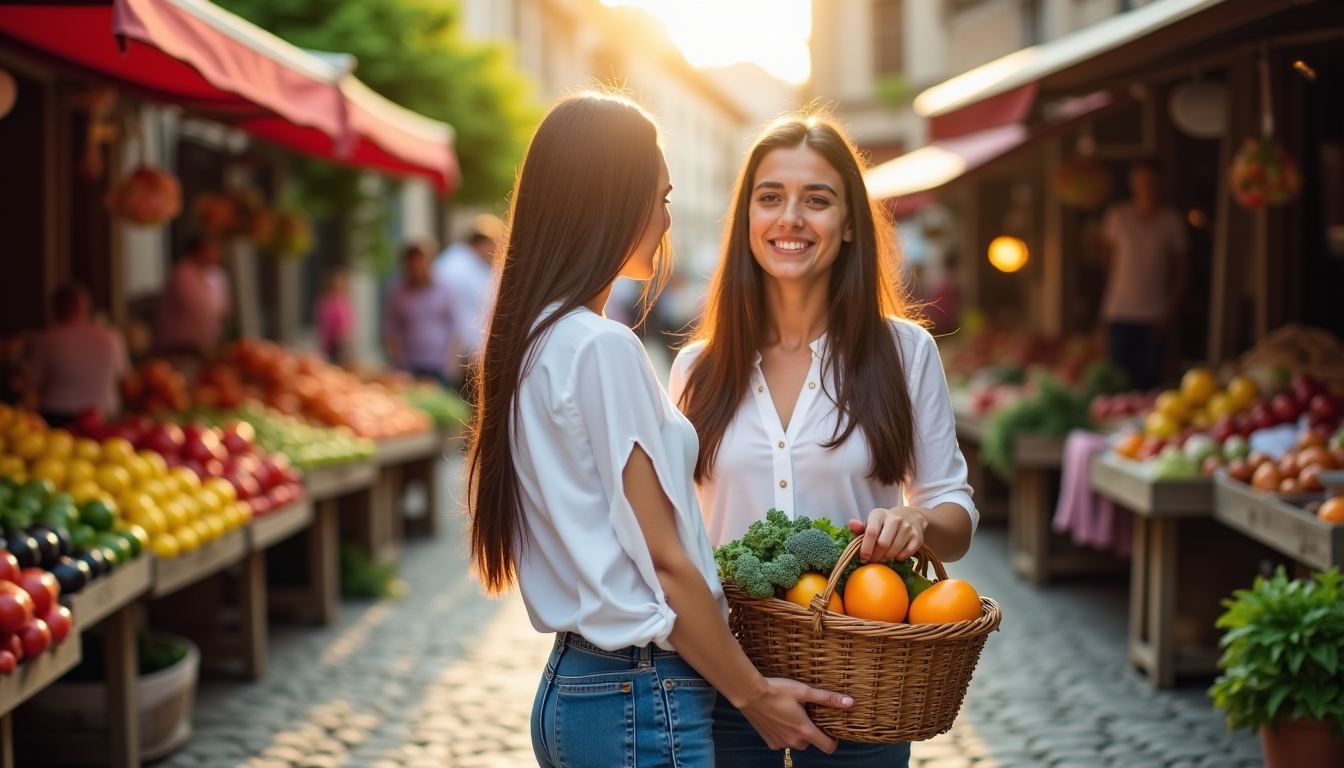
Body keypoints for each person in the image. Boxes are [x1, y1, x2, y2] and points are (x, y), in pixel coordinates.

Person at [466, 92, 851, 768]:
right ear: (615, 199)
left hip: (573, 688)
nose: (667, 217)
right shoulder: (601, 348)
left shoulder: (531, 342)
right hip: (640, 695)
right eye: (661, 195)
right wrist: (754, 694)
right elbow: (668, 563)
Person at [670, 112, 978, 768]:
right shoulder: (697, 368)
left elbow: (956, 512)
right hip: (725, 689)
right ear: (746, 220)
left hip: (860, 687)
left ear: (847, 227)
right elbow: (675, 532)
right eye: (770, 196)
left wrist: (917, 519)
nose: (791, 218)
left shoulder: (904, 353)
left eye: (818, 199)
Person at [1099, 161, 1189, 391]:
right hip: (1119, 312)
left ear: (1160, 183)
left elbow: (1182, 270)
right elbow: (1107, 263)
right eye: (1141, 180)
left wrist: (1169, 311)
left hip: (1155, 313)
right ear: (1132, 183)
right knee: (1116, 381)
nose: (1146, 186)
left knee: (1150, 381)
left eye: (1151, 180)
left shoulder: (1171, 220)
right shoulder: (1117, 216)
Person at [29, 283, 130, 426]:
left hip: (56, 418)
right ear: (86, 306)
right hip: (104, 416)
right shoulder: (111, 337)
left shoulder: (45, 339)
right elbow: (125, 382)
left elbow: (33, 384)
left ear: (55, 308)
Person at [434, 214, 502, 387]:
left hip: (469, 352)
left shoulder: (470, 263)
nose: (495, 249)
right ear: (480, 242)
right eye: (493, 243)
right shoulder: (455, 265)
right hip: (459, 353)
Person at [384, 244, 457, 386]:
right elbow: (391, 330)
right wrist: (398, 363)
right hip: (409, 366)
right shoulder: (398, 294)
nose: (417, 268)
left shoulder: (445, 291)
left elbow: (456, 328)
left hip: (439, 365)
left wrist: (452, 361)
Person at [155, 236, 231, 357]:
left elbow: (222, 311)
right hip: (180, 345)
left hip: (208, 343)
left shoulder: (217, 276)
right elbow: (193, 310)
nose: (218, 253)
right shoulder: (182, 274)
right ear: (199, 250)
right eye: (212, 248)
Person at [316, 267, 354, 364]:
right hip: (328, 345)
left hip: (340, 346)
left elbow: (347, 325)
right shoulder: (326, 302)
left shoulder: (344, 302)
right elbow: (322, 324)